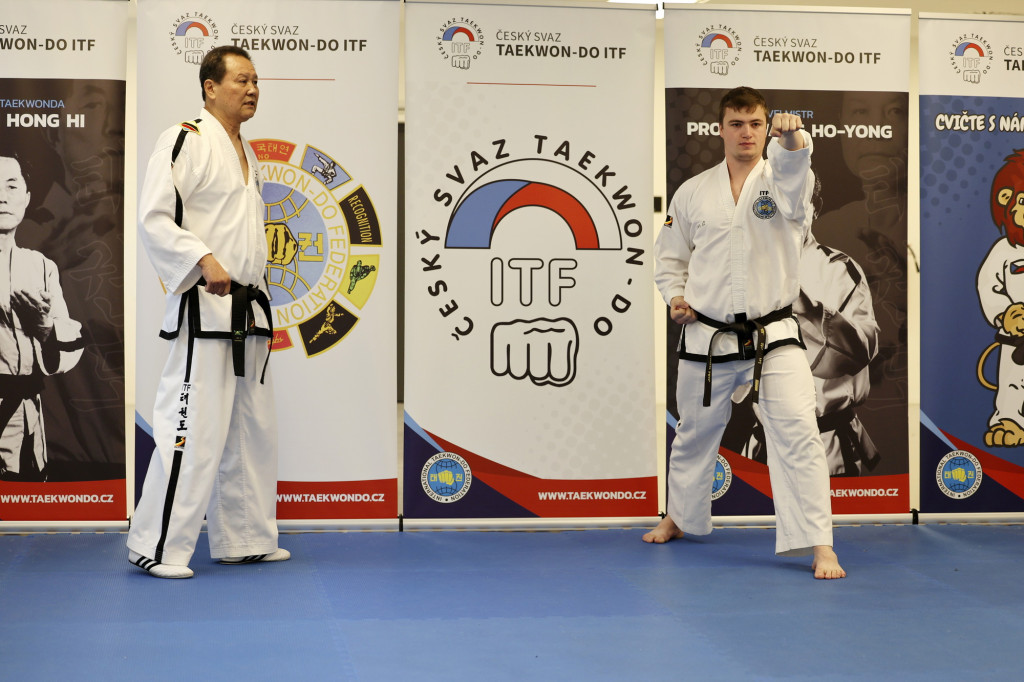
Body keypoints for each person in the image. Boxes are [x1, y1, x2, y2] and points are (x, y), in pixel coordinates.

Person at [644, 86, 845, 579]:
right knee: (693, 434)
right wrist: (675, 297)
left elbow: (796, 169)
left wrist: (791, 138)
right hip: (706, 334)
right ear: (720, 129)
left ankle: (820, 544)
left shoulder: (784, 182)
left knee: (799, 434)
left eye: (756, 124)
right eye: (737, 124)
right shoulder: (693, 191)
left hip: (772, 336)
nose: (747, 133)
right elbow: (669, 257)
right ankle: (678, 517)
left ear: (765, 128)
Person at [127, 46, 288, 579]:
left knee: (251, 431)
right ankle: (156, 546)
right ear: (210, 87)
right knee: (191, 429)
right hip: (204, 308)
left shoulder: (248, 152)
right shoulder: (186, 139)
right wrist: (201, 257)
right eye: (241, 80)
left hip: (247, 310)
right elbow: (154, 216)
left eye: (256, 80)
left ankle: (245, 538)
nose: (252, 89)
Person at [0, 148, 83, 481]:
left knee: (28, 491)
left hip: (27, 412)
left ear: (27, 198)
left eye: (11, 186)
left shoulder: (41, 266)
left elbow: (65, 331)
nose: (2, 197)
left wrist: (46, 328)